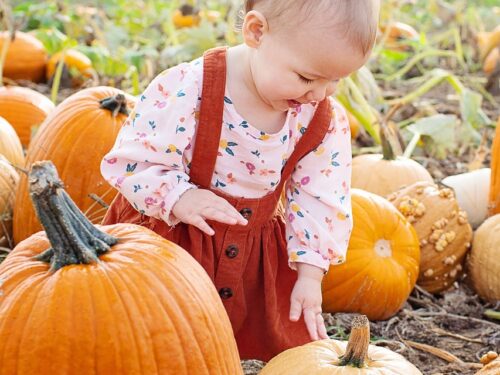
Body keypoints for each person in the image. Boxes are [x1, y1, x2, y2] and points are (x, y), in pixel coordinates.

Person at [100, 0, 380, 361]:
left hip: (251, 260)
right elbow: (134, 160)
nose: (319, 93)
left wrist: (310, 275)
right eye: (307, 77)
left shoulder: (320, 119)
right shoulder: (191, 88)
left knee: (256, 351)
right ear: (257, 32)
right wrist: (179, 197)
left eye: (336, 80)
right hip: (172, 238)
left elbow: (321, 198)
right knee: (147, 340)